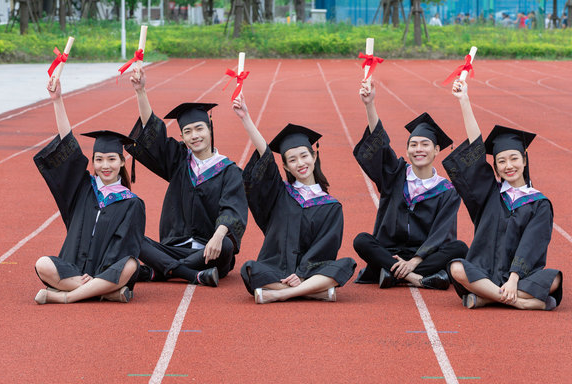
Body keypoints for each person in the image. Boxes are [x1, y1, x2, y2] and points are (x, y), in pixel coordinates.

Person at [445, 80, 562, 310]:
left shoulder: (539, 204)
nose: (509, 165)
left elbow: (532, 244)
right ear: (496, 168)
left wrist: (514, 277)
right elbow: (476, 151)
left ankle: (487, 297)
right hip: (484, 271)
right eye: (501, 161)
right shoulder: (490, 193)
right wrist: (464, 101)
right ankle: (522, 303)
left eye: (514, 158)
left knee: (555, 279)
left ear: (524, 160)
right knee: (457, 268)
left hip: (520, 278)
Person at [126, 67, 248, 287]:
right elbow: (154, 136)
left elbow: (233, 209)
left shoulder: (229, 171)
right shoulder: (180, 161)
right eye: (188, 131)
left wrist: (218, 236)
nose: (195, 136)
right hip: (175, 245)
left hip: (210, 250)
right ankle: (189, 273)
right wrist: (140, 91)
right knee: (130, 234)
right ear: (181, 136)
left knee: (227, 246)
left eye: (199, 129)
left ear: (210, 129)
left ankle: (162, 270)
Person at [232, 94, 356, 304]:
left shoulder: (331, 206)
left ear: (314, 157)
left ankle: (281, 293)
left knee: (346, 264)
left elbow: (325, 247)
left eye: (304, 156)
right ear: (286, 167)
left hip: (311, 271)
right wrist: (246, 118)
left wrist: (301, 273)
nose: (300, 163)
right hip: (276, 267)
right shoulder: (280, 194)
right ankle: (315, 292)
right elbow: (266, 159)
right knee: (250, 269)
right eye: (292, 159)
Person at [33, 78, 146, 304]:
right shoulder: (84, 188)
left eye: (112, 159)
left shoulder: (132, 203)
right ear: (93, 162)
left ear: (123, 162)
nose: (106, 165)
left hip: (106, 271)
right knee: (42, 264)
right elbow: (69, 146)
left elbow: (125, 246)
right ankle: (104, 292)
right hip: (75, 268)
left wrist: (102, 272)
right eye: (99, 159)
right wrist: (57, 101)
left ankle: (65, 297)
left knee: (131, 265)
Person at [352, 79, 468, 290]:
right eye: (413, 145)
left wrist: (415, 260)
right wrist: (369, 105)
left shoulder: (447, 191)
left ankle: (392, 273)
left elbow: (442, 232)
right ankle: (416, 279)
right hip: (389, 250)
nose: (419, 149)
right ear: (407, 151)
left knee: (460, 248)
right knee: (361, 240)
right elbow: (380, 145)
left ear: (436, 151)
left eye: (425, 144)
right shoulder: (395, 175)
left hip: (423, 255)